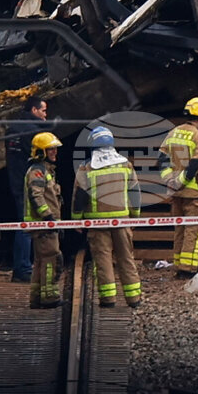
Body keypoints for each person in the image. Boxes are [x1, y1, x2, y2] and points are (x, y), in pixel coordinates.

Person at [72, 126, 143, 308]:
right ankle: (134, 298)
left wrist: (77, 219)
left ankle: (108, 298)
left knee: (102, 258)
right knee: (126, 257)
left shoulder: (87, 167)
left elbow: (80, 195)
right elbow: (134, 193)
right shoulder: (125, 164)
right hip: (122, 219)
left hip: (97, 222)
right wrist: (135, 216)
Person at [158, 97, 198, 278]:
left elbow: (161, 159)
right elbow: (197, 162)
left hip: (176, 192)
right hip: (195, 191)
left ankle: (178, 264)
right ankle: (187, 269)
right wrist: (183, 179)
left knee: (180, 230)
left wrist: (170, 180)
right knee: (193, 230)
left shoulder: (174, 132)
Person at [5, 96, 48, 282]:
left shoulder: (12, 129)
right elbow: (39, 161)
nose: (46, 115)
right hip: (29, 184)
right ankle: (23, 269)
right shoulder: (34, 132)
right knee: (28, 226)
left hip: (15, 181)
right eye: (44, 111)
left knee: (23, 224)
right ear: (34, 111)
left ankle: (23, 266)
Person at [24, 132, 63, 309]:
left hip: (44, 224)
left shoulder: (44, 170)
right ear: (41, 152)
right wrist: (48, 217)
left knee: (40, 261)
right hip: (43, 225)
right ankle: (49, 298)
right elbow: (36, 196)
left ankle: (36, 297)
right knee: (51, 259)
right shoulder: (38, 171)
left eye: (55, 148)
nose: (54, 152)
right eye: (50, 149)